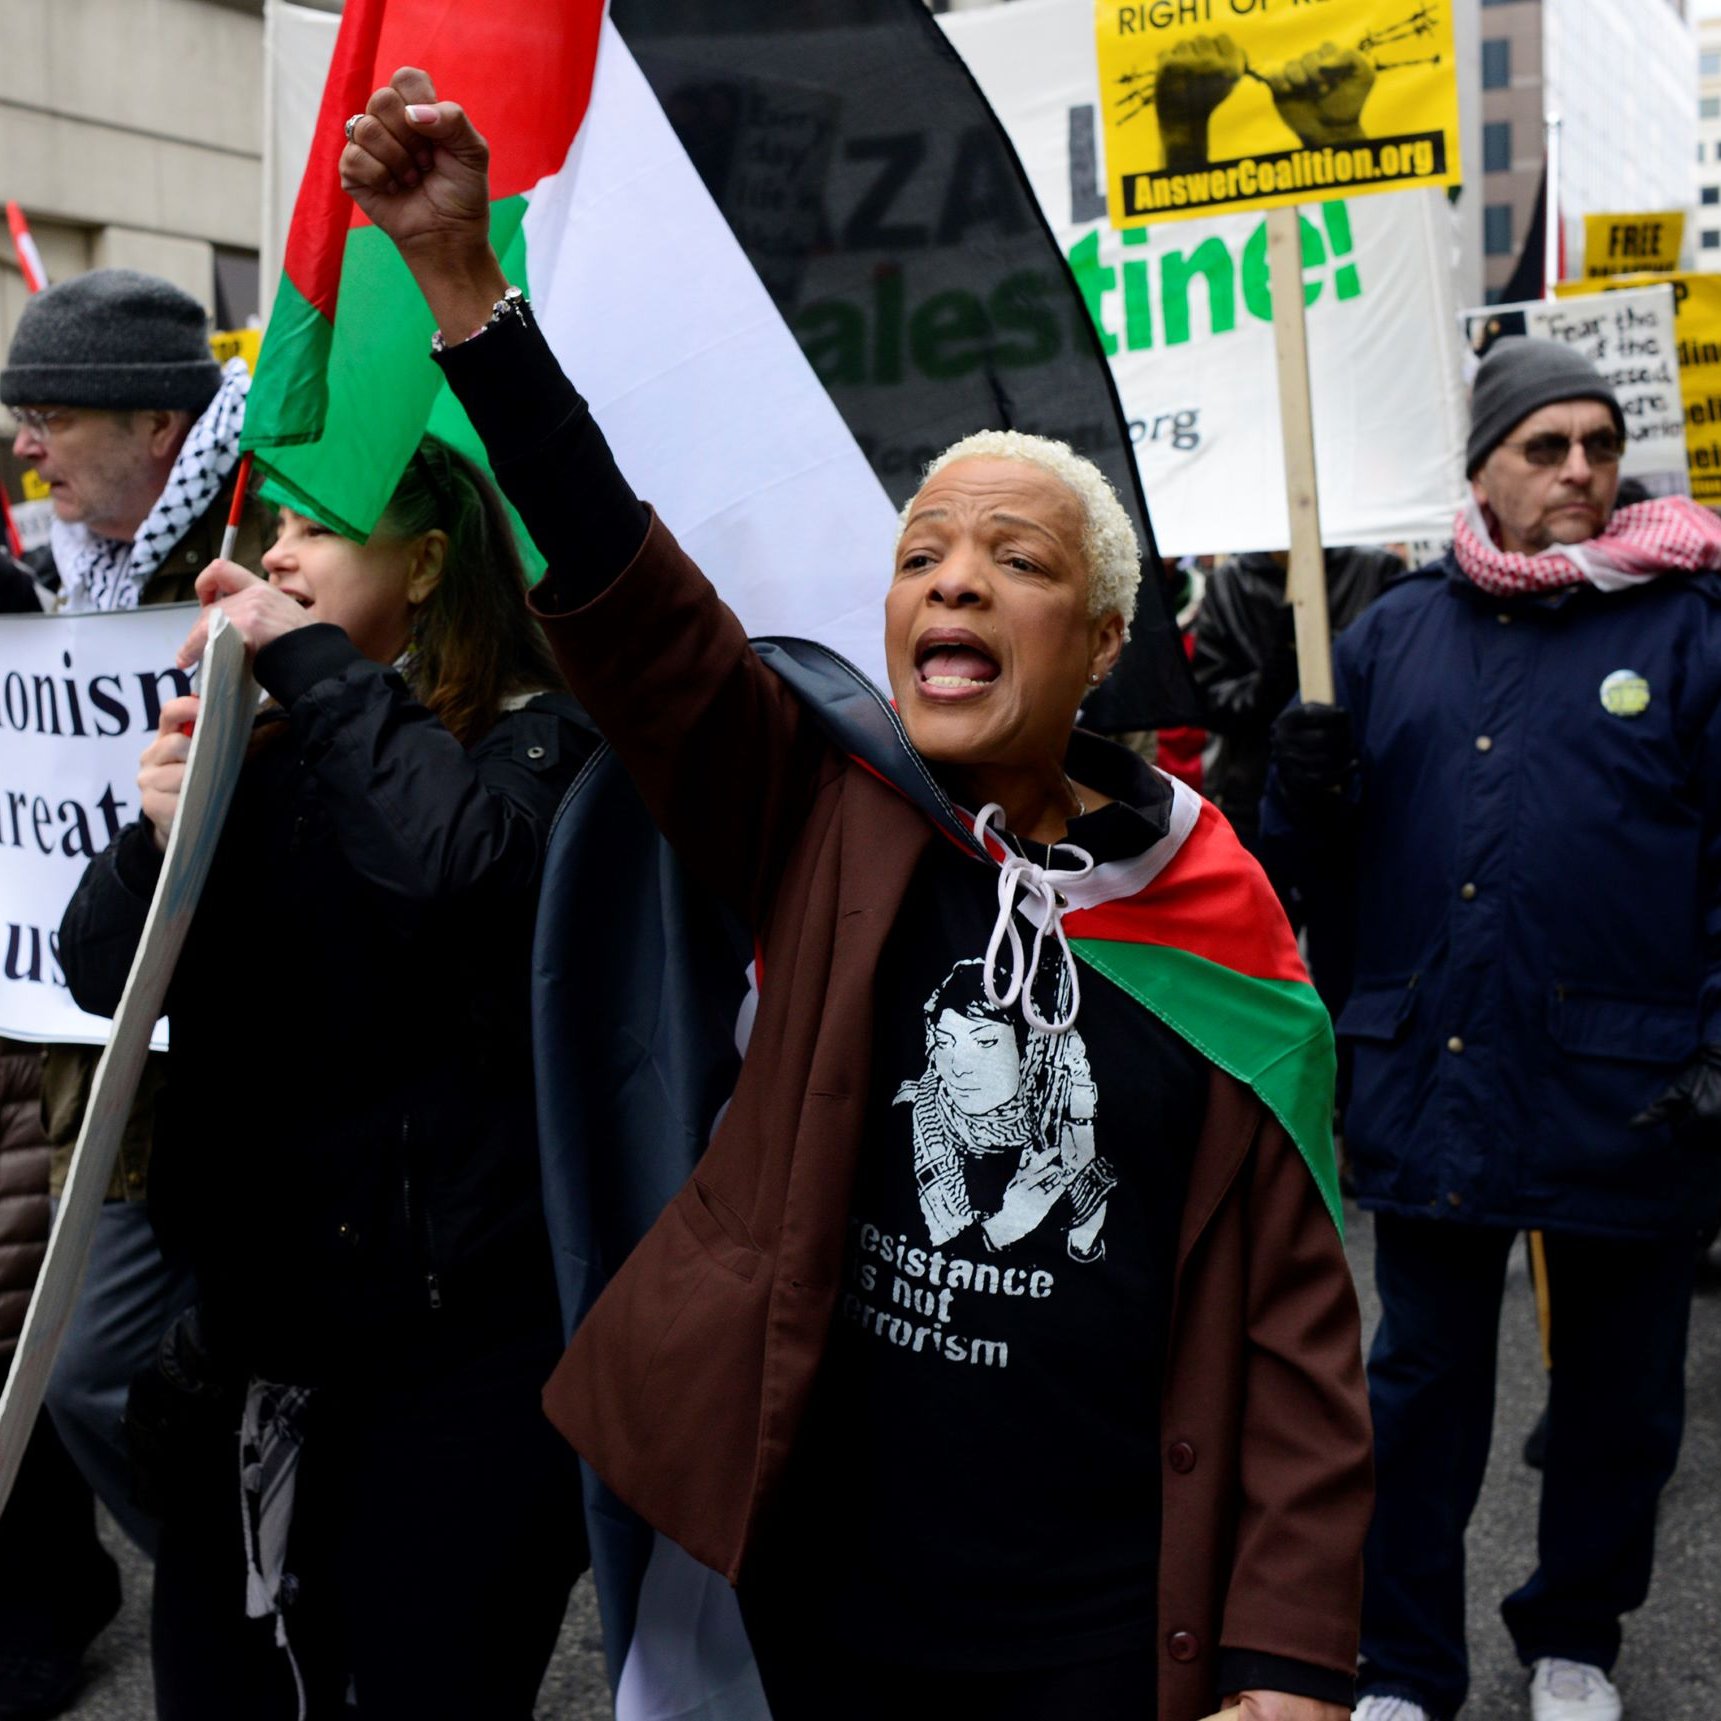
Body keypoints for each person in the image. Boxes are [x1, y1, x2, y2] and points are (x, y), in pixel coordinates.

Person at [343, 68, 1371, 1721]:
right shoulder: (830, 815)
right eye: (922, 553)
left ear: (1101, 645)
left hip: (1097, 1635)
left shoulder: (1226, 936)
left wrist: (1291, 1662)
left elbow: (1301, 1339)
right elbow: (629, 588)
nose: (954, 575)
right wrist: (464, 287)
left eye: (1017, 559)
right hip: (826, 1611)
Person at [58, 438, 593, 1720]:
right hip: (252, 1347)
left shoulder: (540, 747)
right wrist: (154, 835)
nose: (278, 555)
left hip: (455, 1361)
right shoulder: (266, 737)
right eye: (275, 525)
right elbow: (96, 975)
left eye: (321, 529)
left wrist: (309, 664)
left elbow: (452, 877)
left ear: (422, 564)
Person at [1263, 338, 1721, 1721]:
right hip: (1440, 1081)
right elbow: (1315, 888)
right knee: (1417, 1397)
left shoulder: (1692, 624)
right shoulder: (1394, 634)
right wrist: (1302, 792)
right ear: (1482, 470)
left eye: (1598, 443)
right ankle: (1404, 1663)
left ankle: (1572, 1637)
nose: (1580, 469)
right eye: (1545, 446)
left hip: (1634, 1087)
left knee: (1617, 1402)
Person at [0, 267, 274, 1720]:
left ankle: (268, 1585)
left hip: (247, 1052)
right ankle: (245, 1579)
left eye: (49, 417)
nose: (27, 450)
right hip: (102, 1055)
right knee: (97, 1365)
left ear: (162, 426)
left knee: (133, 1358)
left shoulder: (270, 546)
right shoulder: (66, 575)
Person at [1192, 545, 1399, 855]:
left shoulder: (1374, 571)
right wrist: (1271, 682)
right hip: (1254, 798)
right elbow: (1210, 703)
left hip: (1361, 799)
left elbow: (1395, 692)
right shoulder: (1228, 585)